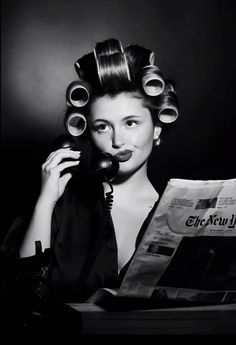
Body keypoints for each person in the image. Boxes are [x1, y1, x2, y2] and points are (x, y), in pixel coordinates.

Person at [1, 38, 179, 303]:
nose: (118, 140)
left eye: (131, 123)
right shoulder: (63, 206)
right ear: (89, 133)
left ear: (156, 129)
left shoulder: (178, 216)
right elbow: (23, 293)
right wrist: (46, 201)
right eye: (103, 127)